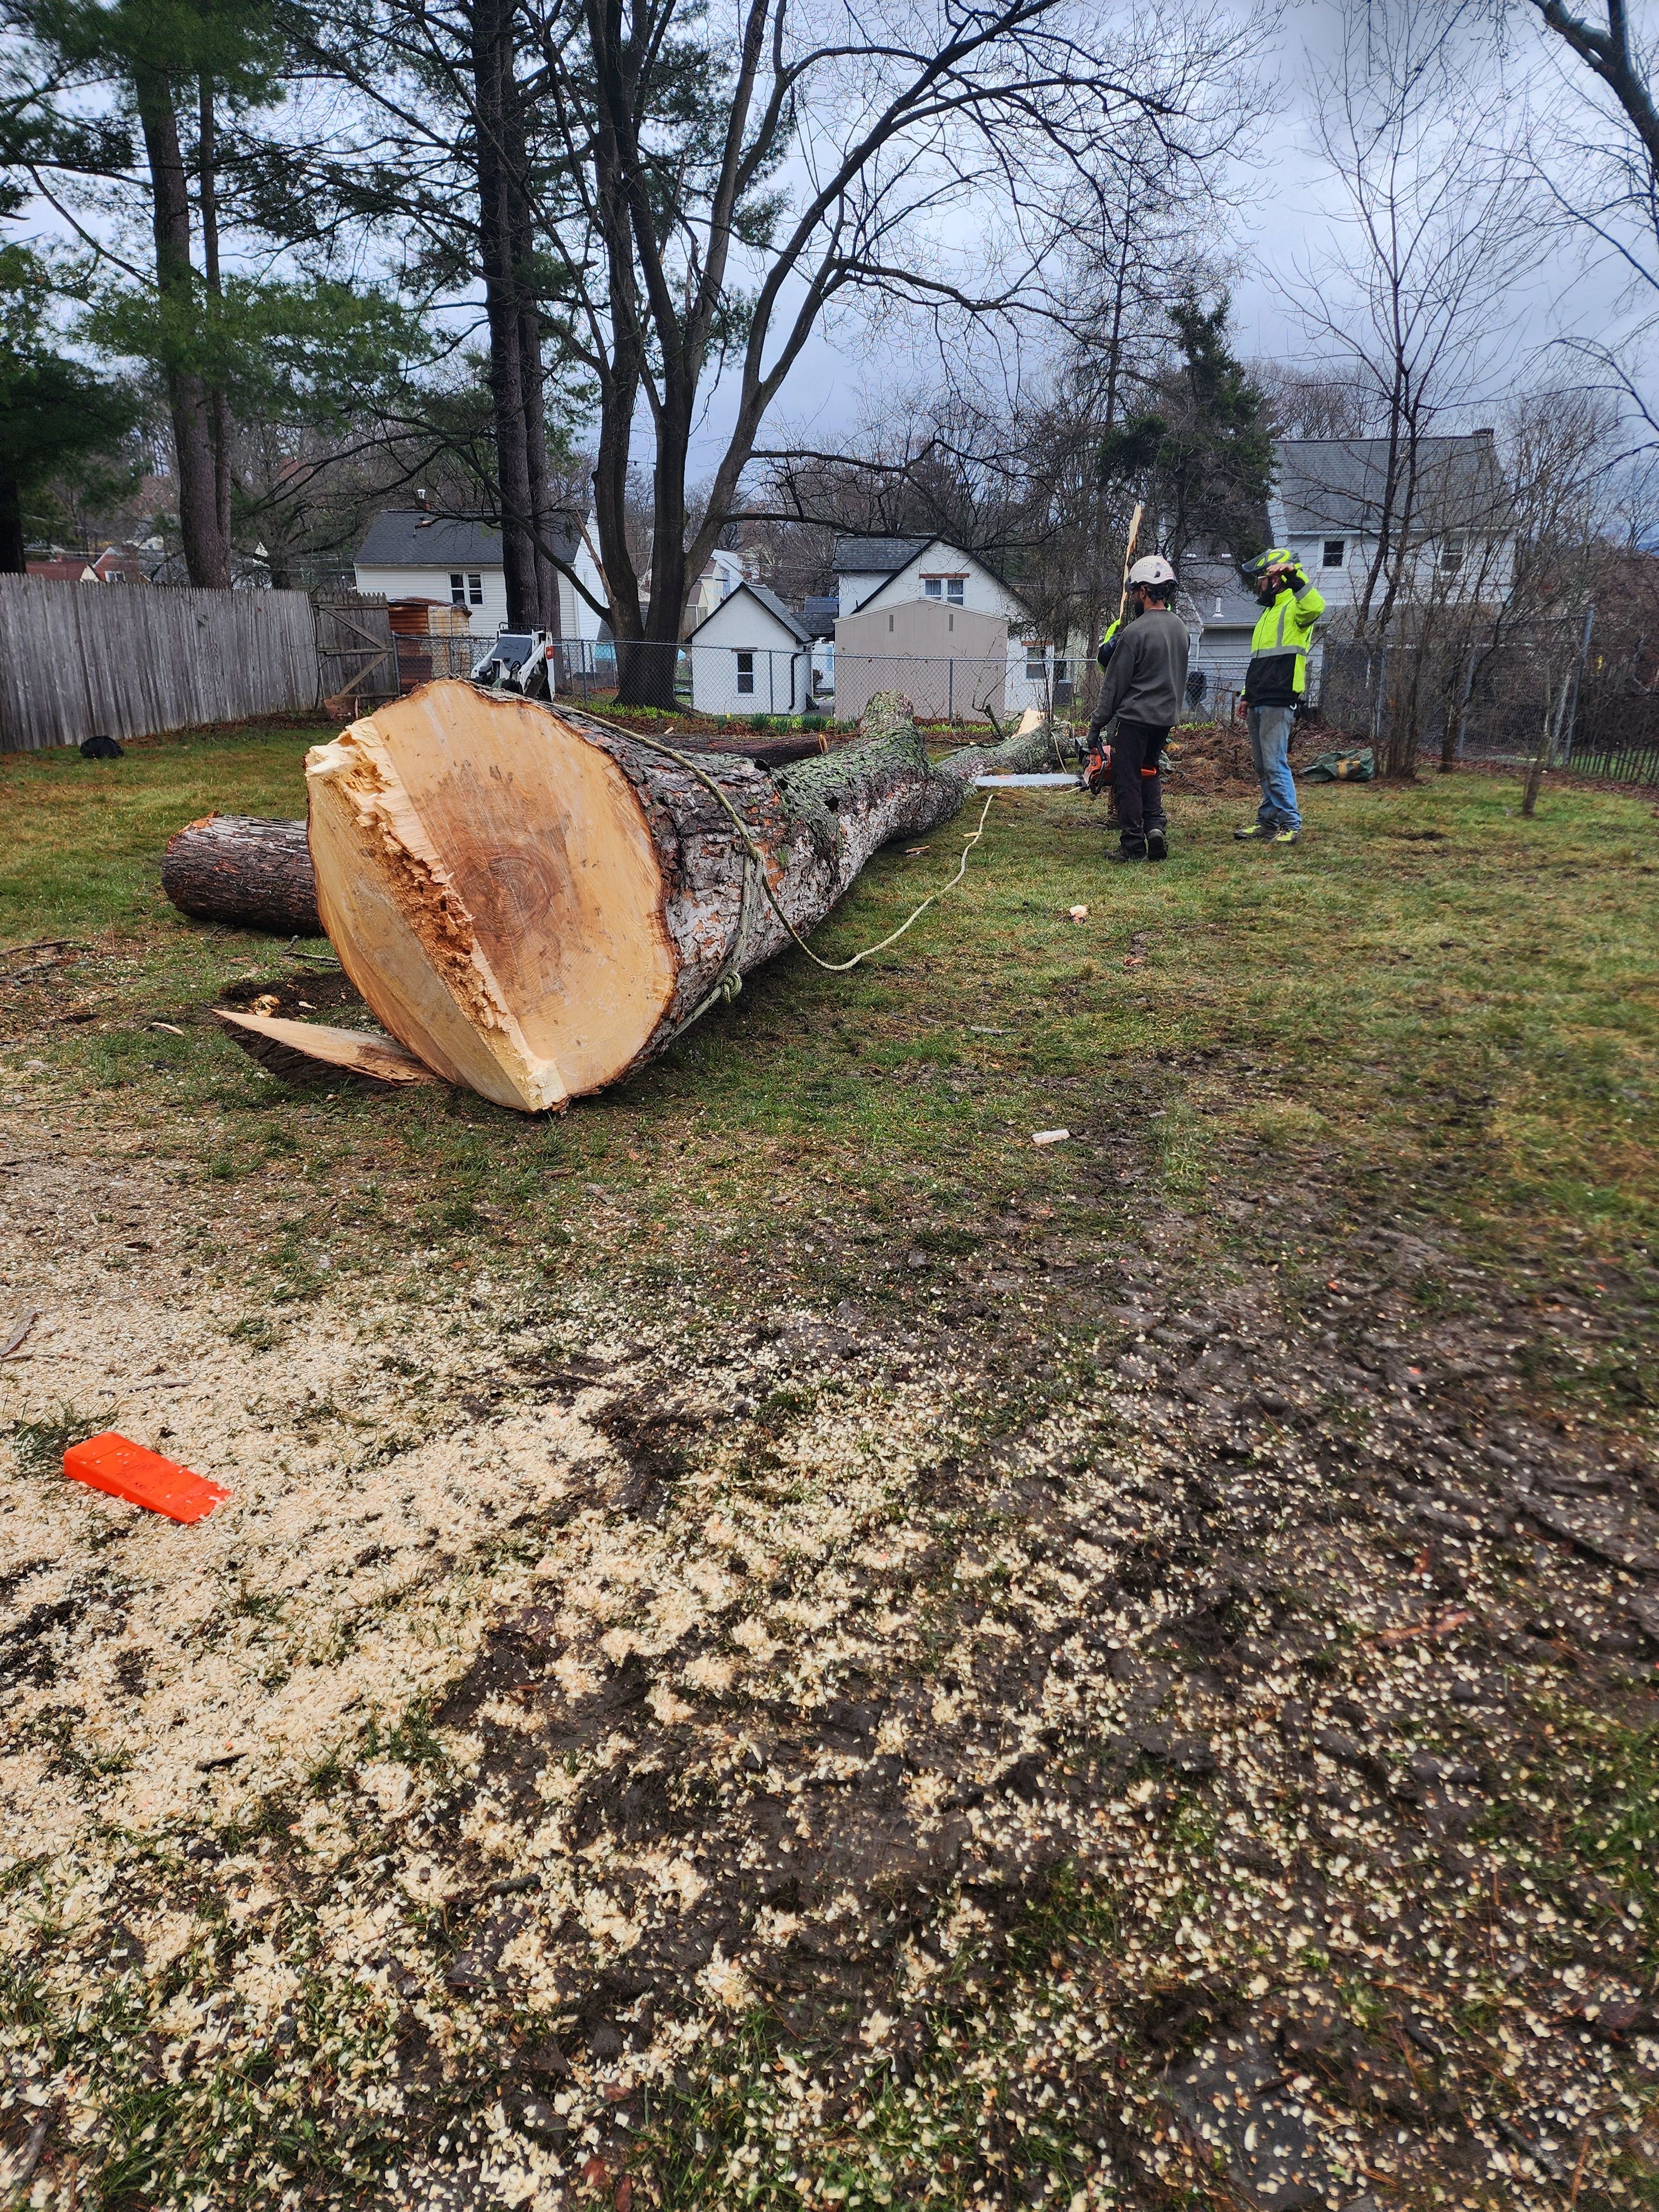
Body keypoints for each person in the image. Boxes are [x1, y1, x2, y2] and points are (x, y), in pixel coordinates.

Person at [1087, 554, 1188, 862]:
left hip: (1134, 719)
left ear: (1144, 591)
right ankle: (1155, 826)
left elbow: (1113, 686)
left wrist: (1095, 728)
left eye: (1134, 592)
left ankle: (1132, 844)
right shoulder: (1180, 629)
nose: (1132, 597)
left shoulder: (1135, 633)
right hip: (1164, 719)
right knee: (1150, 770)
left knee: (1128, 778)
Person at [1237, 548, 1324, 845]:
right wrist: (1247, 696)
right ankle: (1267, 821)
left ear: (1276, 579)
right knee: (1263, 765)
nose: (1259, 584)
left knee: (1275, 764)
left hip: (1280, 697)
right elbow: (1258, 661)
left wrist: (1294, 574)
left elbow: (1316, 606)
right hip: (1260, 699)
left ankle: (1291, 824)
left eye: (1263, 578)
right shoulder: (1269, 613)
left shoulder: (1297, 608)